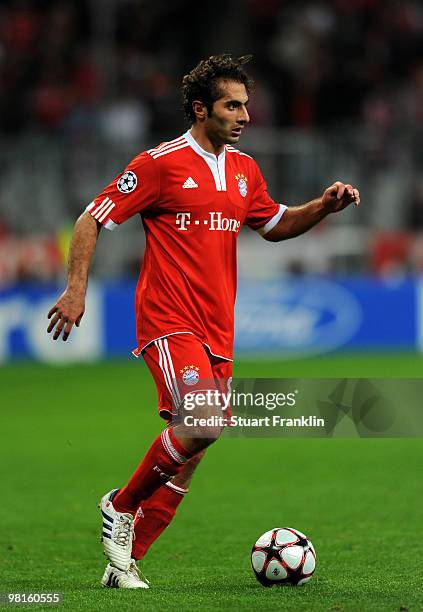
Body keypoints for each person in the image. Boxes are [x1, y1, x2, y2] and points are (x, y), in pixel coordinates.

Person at [47, 54, 360, 589]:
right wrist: (76, 289)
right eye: (232, 106)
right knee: (203, 424)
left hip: (218, 329)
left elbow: (277, 224)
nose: (244, 116)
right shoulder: (158, 164)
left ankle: (125, 563)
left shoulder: (244, 170)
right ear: (200, 109)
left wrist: (324, 207)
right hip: (169, 320)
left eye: (246, 105)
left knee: (191, 452)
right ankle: (120, 507)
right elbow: (90, 219)